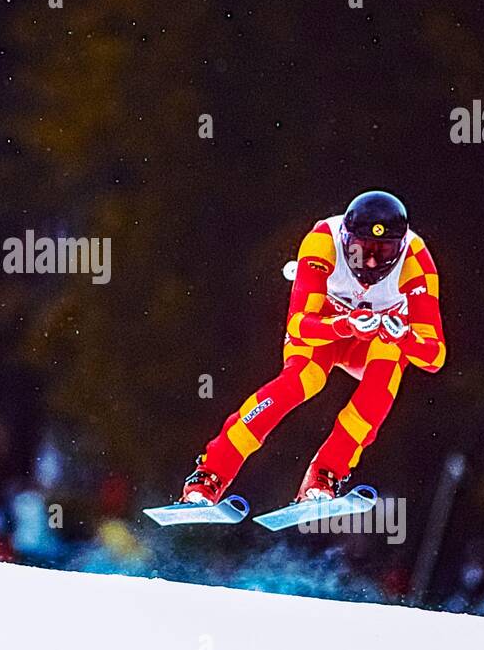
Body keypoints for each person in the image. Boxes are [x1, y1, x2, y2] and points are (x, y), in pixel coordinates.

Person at [182, 191, 447, 505]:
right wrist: (343, 325)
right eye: (363, 250)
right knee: (300, 382)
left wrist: (403, 336)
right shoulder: (323, 240)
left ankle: (325, 475)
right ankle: (209, 475)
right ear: (347, 239)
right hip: (322, 332)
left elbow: (434, 356)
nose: (372, 261)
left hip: (374, 340)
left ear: (400, 247)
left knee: (384, 375)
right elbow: (298, 325)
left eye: (384, 251)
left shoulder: (417, 259)